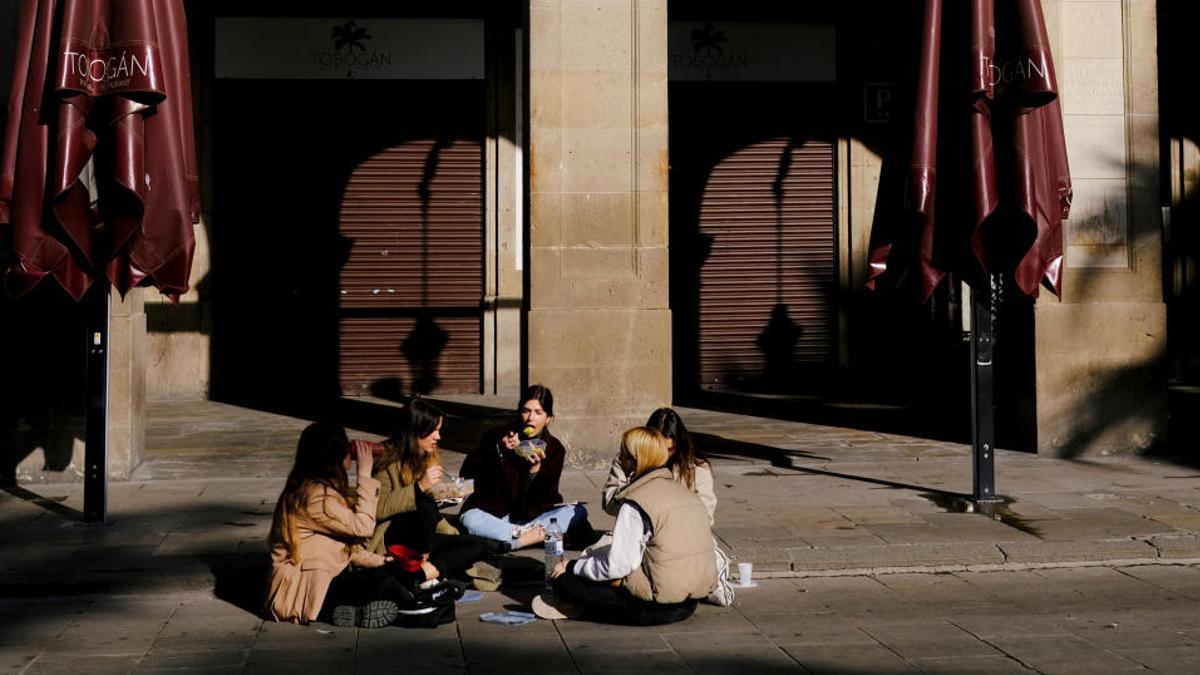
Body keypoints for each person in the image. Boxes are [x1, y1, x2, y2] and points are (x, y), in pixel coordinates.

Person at [534, 427, 717, 625]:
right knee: (599, 566)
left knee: (564, 580)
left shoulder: (635, 502)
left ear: (635, 460)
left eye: (623, 454)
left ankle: (581, 605)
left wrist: (572, 566)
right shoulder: (686, 493)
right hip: (690, 603)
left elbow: (619, 565)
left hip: (657, 607)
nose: (620, 459)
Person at [265, 422, 400, 628]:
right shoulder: (316, 497)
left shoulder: (311, 486)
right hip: (305, 591)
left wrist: (379, 561)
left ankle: (350, 611)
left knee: (391, 575)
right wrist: (364, 475)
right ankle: (345, 610)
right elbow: (363, 526)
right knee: (387, 584)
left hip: (324, 575)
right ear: (334, 458)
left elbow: (337, 546)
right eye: (346, 449)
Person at [600, 407, 734, 606]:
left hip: (680, 537)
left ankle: (711, 577)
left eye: (669, 449)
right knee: (605, 556)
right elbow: (609, 504)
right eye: (659, 449)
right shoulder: (629, 460)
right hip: (642, 535)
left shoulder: (695, 468)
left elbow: (705, 517)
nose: (664, 455)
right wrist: (632, 484)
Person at [366, 399, 499, 585]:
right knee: (425, 506)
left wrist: (453, 534)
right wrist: (419, 487)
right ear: (415, 431)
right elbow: (378, 509)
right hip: (395, 540)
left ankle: (424, 573)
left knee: (479, 545)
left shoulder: (425, 457)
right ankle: (427, 570)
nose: (438, 437)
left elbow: (433, 515)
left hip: (424, 540)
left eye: (439, 430)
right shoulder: (387, 462)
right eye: (433, 431)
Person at [459, 384, 591, 549]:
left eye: (538, 412)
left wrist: (534, 472)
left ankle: (517, 538)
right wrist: (499, 450)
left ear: (548, 418)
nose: (530, 418)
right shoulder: (497, 436)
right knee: (470, 519)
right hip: (497, 515)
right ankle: (529, 536)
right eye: (526, 411)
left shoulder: (554, 448)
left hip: (531, 516)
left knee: (577, 511)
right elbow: (468, 473)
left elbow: (547, 498)